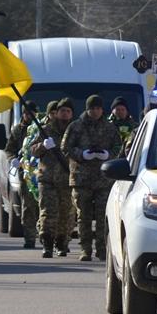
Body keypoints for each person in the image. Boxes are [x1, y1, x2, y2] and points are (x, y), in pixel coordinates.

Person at [62, 94, 121, 262]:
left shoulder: (110, 127)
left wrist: (109, 154)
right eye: (92, 108)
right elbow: (65, 147)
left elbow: (118, 145)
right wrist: (82, 154)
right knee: (84, 216)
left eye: (97, 108)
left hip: (103, 179)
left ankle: (102, 249)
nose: (95, 112)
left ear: (102, 110)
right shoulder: (76, 127)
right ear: (87, 109)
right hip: (82, 178)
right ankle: (85, 249)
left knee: (103, 216)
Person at [31, 98, 75, 257]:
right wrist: (43, 146)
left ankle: (62, 243)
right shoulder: (46, 130)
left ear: (72, 114)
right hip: (47, 178)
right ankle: (47, 244)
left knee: (66, 214)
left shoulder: (75, 130)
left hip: (68, 179)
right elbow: (33, 151)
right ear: (56, 113)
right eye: (62, 111)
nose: (64, 114)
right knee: (48, 212)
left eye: (68, 111)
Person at [6, 101, 44, 248]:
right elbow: (9, 149)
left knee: (44, 206)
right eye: (27, 113)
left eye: (32, 113)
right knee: (28, 206)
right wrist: (13, 159)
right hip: (26, 173)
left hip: (41, 172)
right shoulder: (18, 130)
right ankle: (29, 238)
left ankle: (44, 236)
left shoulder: (41, 127)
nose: (29, 116)